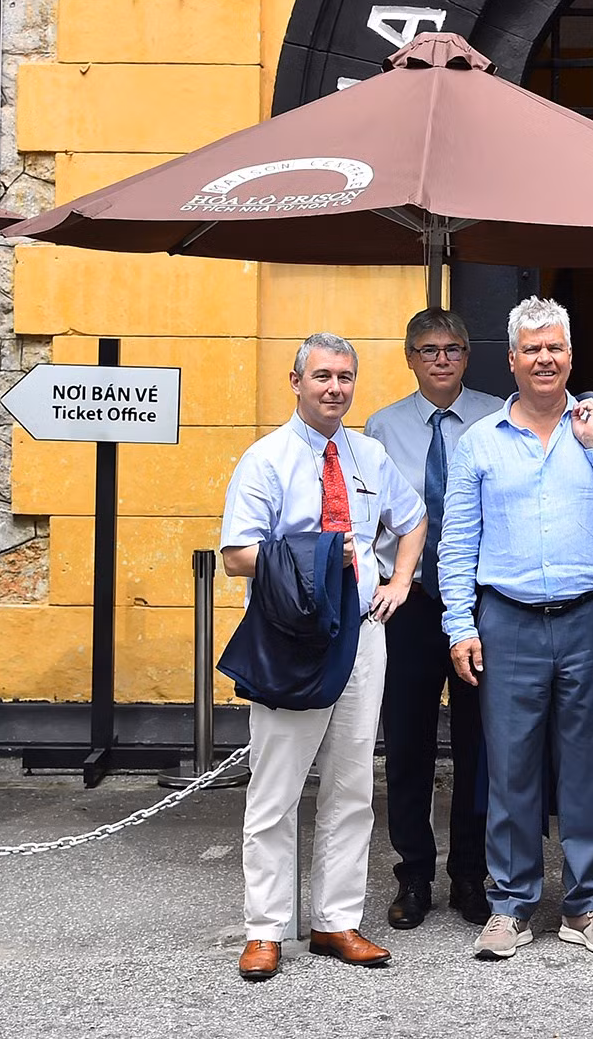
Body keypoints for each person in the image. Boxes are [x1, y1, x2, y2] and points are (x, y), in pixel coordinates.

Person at [440, 296, 593, 962]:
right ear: (511, 359)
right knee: (510, 767)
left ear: (570, 355)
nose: (544, 359)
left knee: (583, 766)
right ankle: (510, 904)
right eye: (531, 349)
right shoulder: (480, 441)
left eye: (554, 347)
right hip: (506, 619)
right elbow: (457, 543)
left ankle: (587, 905)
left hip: (588, 615)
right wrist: (459, 625)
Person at [220, 333, 426, 982]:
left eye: (344, 377)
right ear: (296, 382)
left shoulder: (369, 455)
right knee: (275, 791)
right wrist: (320, 556)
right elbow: (236, 556)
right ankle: (264, 929)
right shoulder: (266, 459)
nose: (335, 388)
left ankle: (336, 921)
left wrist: (399, 581)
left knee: (352, 787)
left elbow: (413, 519)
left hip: (362, 634)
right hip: (293, 640)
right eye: (322, 376)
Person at [364, 307, 504, 931]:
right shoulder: (382, 426)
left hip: (478, 603)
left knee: (479, 743)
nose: (441, 359)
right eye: (428, 349)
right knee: (408, 742)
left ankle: (470, 872)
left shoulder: (497, 416)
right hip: (411, 602)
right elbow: (374, 516)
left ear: (467, 356)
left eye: (452, 348)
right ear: (410, 358)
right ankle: (414, 874)